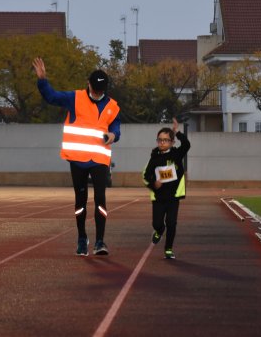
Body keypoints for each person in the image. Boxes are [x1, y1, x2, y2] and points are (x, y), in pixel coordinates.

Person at [33, 57, 121, 256]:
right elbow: (52, 97)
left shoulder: (112, 106)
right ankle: (82, 238)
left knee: (100, 198)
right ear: (88, 84)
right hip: (78, 160)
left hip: (99, 159)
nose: (98, 92)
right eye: (95, 88)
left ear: (106, 88)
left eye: (101, 90)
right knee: (80, 200)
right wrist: (42, 80)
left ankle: (100, 241)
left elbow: (116, 126)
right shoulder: (75, 98)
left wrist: (113, 135)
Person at [142, 118, 190, 259]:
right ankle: (159, 230)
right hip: (159, 197)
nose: (162, 142)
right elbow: (147, 174)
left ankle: (168, 248)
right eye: (160, 140)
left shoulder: (176, 154)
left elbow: (187, 144)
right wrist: (153, 183)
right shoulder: (154, 157)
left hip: (173, 197)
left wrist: (177, 131)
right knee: (157, 223)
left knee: (171, 223)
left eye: (165, 140)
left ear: (172, 142)